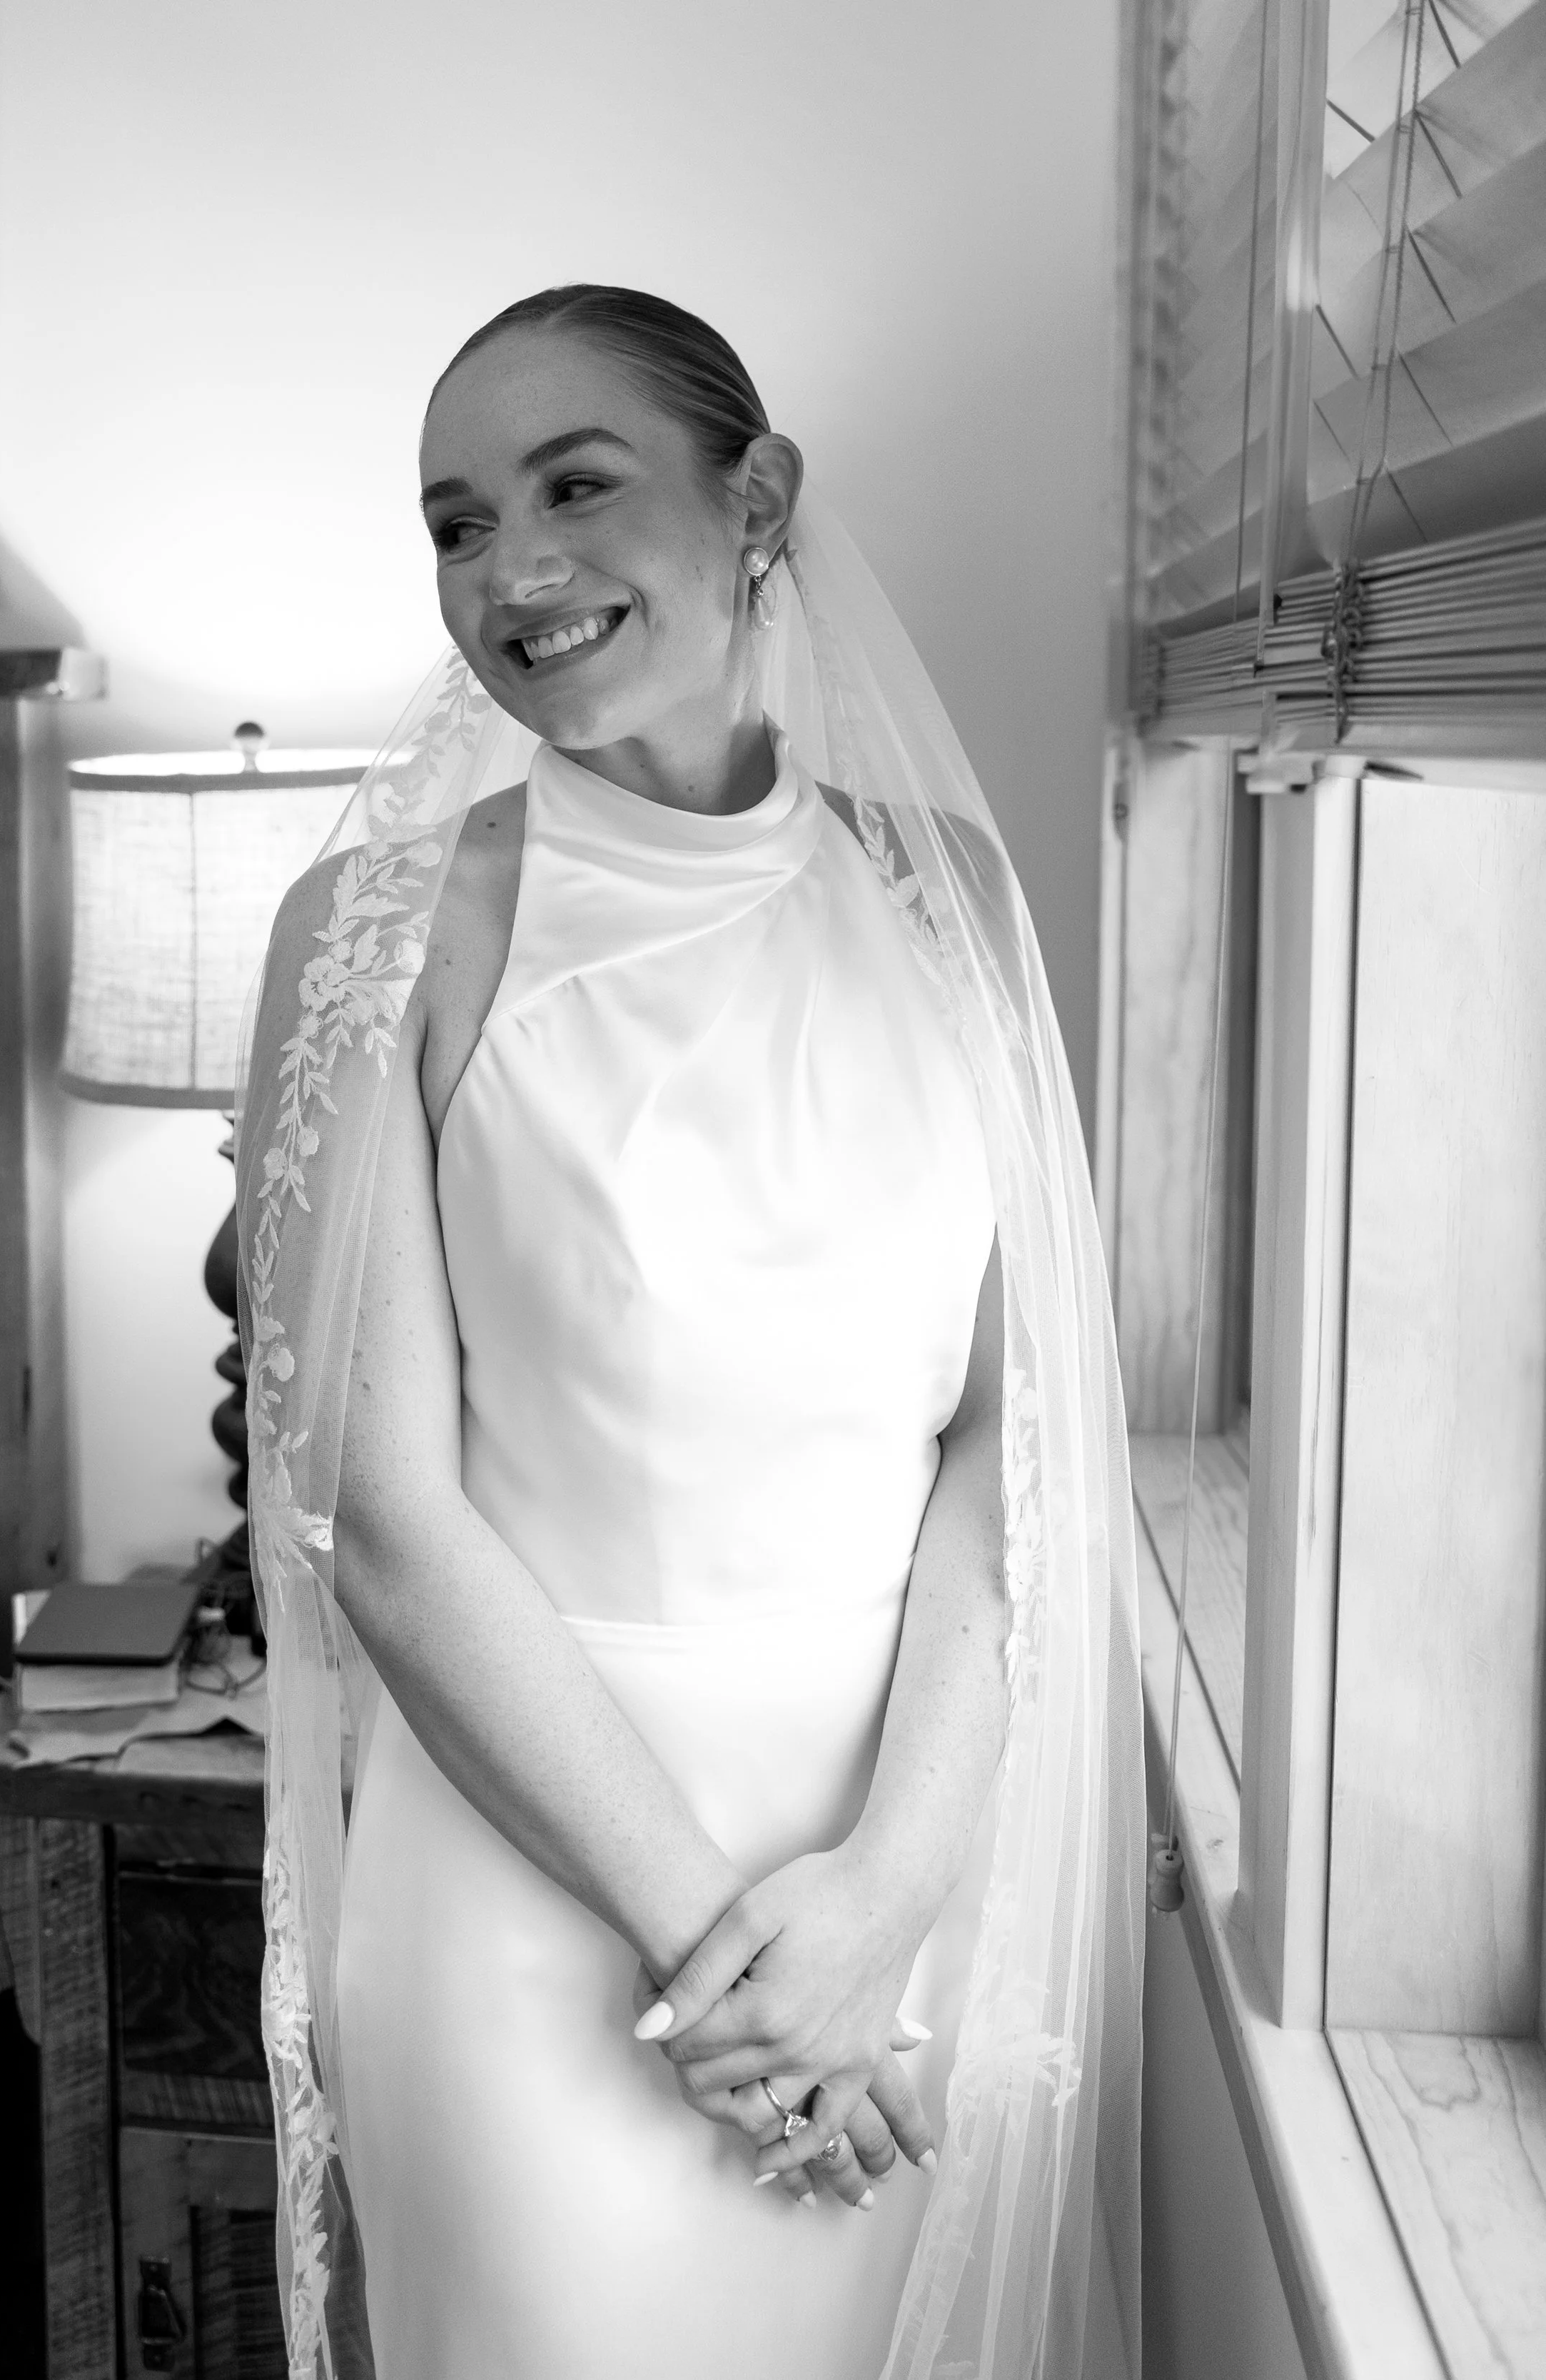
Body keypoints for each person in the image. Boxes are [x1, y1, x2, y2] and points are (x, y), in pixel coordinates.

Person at [236, 287, 1144, 2380]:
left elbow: (1009, 1460)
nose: (508, 572)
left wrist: (877, 1914)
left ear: (759, 502)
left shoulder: (954, 907)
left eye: (575, 487)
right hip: (540, 1895)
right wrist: (728, 1979)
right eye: (457, 522)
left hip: (904, 1871)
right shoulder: (378, 929)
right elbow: (378, 1512)